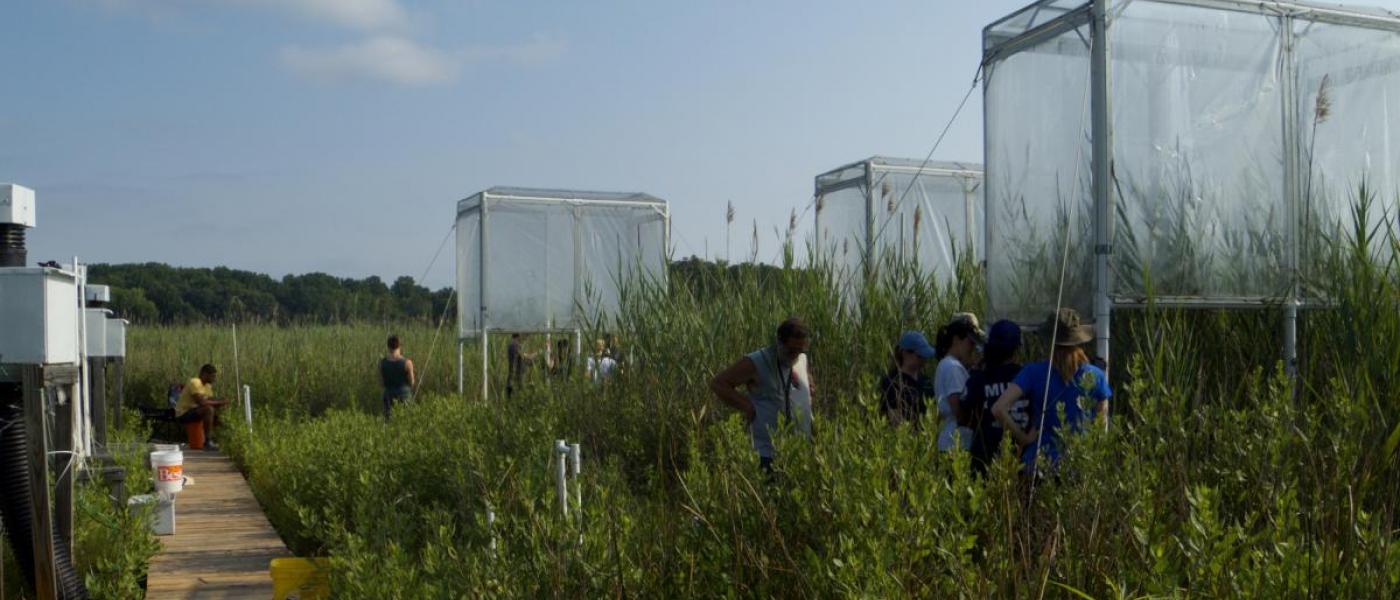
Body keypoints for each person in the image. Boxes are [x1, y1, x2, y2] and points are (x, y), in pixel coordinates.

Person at [992, 308, 1112, 473]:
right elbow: (1101, 428)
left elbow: (998, 408)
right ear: (1078, 341)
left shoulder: (1033, 372)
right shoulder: (1096, 377)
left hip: (1039, 464)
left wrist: (1024, 438)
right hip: (1079, 468)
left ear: (1049, 341)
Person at [709, 317, 815, 471]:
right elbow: (719, 384)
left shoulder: (801, 359)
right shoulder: (757, 361)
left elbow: (804, 378)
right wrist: (747, 406)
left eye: (800, 350)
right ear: (779, 342)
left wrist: (809, 386)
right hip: (768, 454)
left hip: (801, 451)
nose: (795, 355)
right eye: (791, 350)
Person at [967, 320, 1026, 475]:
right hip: (1021, 457)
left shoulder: (979, 378)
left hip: (985, 458)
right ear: (1017, 349)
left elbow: (965, 412)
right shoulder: (1027, 377)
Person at [934, 315, 985, 451]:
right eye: (971, 343)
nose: (973, 348)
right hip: (955, 444)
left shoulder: (946, 364)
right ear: (956, 339)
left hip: (950, 442)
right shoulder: (953, 367)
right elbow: (959, 411)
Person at [878, 331, 936, 428]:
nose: (924, 360)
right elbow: (895, 421)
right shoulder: (892, 383)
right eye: (919, 356)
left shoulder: (926, 381)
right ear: (905, 353)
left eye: (925, 356)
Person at [175, 364, 229, 451]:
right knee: (208, 409)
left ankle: (225, 439)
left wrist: (222, 402)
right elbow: (201, 402)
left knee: (217, 412)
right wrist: (220, 402)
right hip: (184, 414)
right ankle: (207, 442)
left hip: (195, 412)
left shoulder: (207, 386)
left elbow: (211, 400)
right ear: (204, 374)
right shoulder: (195, 382)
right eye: (212, 376)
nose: (214, 379)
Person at [380, 335, 416, 419]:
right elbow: (412, 383)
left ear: (388, 346)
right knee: (405, 421)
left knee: (388, 422)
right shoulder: (408, 363)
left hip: (388, 396)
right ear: (399, 346)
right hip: (404, 396)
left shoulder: (382, 363)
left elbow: (381, 383)